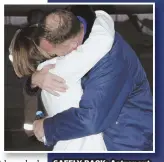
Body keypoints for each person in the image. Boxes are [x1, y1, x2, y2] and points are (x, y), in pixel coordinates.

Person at [15, 6, 153, 151]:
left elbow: (91, 120)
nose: (56, 57)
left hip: (126, 141)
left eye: (55, 52)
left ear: (73, 47)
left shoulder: (106, 57)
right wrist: (32, 81)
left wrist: (47, 127)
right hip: (117, 136)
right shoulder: (71, 25)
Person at [10, 9, 115, 151]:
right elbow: (103, 40)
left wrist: (32, 80)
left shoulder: (43, 77)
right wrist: (101, 14)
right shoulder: (58, 68)